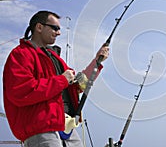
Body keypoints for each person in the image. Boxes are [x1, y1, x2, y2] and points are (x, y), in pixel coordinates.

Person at [2, 10, 109, 147]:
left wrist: (97, 62)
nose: (59, 33)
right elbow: (21, 91)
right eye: (55, 28)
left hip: (66, 127)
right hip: (41, 129)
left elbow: (77, 86)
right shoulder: (21, 54)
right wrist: (62, 80)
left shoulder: (56, 59)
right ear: (39, 27)